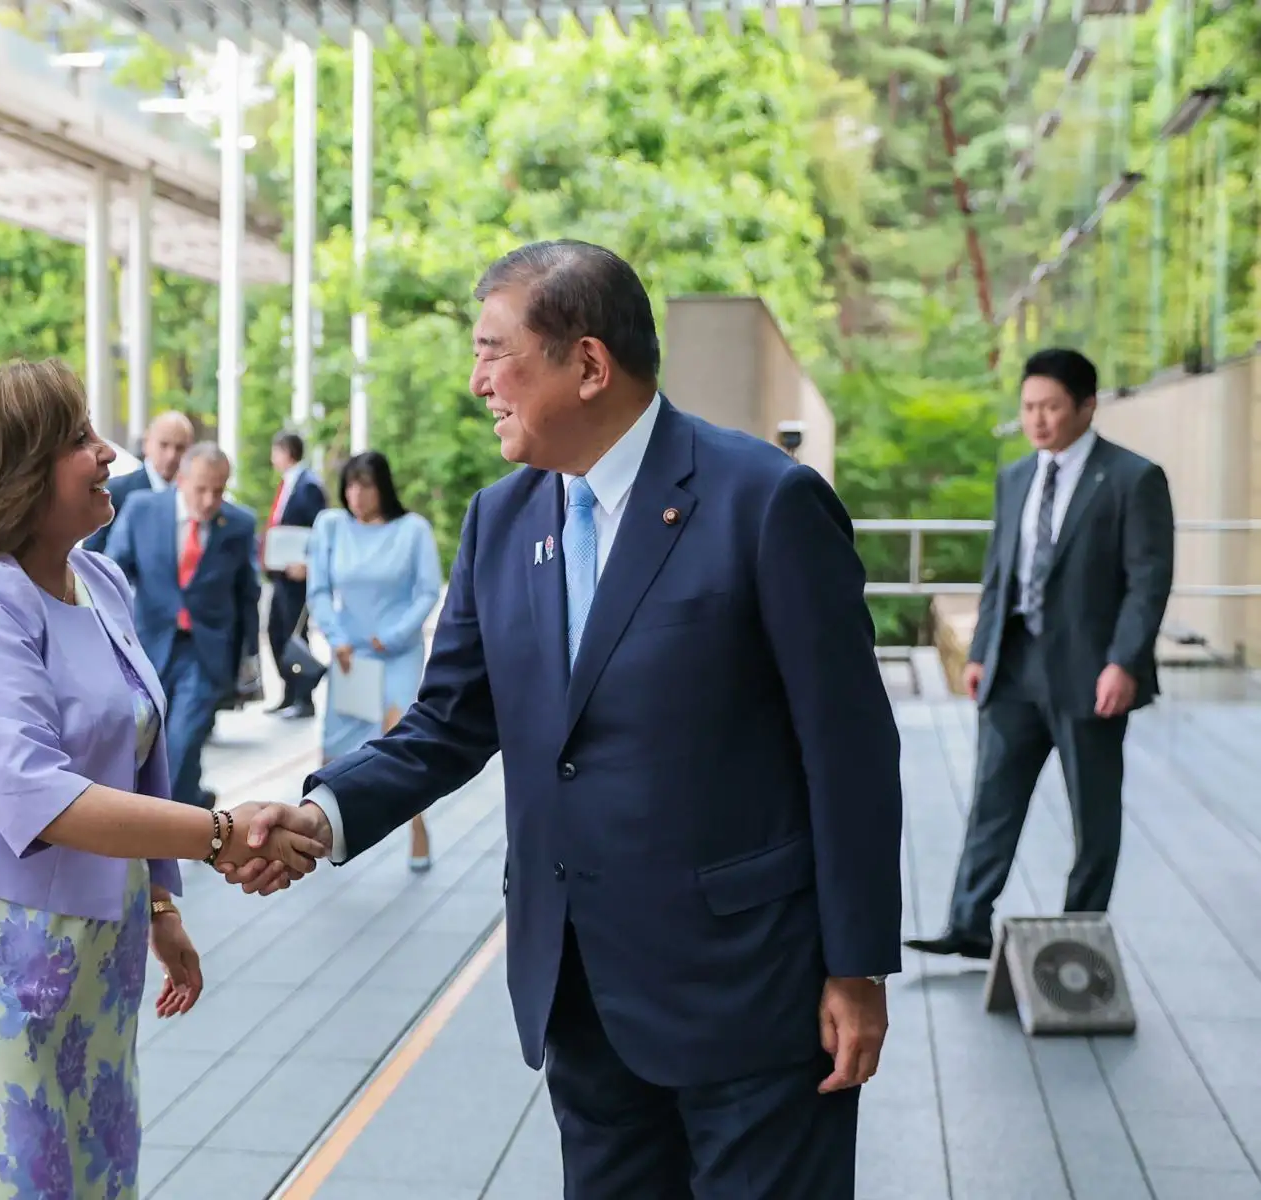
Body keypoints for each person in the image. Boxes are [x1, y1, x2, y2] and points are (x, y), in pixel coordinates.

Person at [237, 241, 903, 1198]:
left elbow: (850, 752)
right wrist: (324, 814)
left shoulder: (765, 503)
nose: (476, 382)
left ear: (588, 365)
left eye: (494, 352)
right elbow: (449, 722)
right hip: (580, 991)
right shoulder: (501, 522)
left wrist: (858, 967)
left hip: (752, 992)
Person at [0, 359, 322, 1200]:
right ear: (19, 470)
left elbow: (136, 754)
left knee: (90, 1172)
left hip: (90, 941)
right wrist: (220, 837)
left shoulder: (97, 579)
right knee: (0, 1178)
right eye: (78, 438)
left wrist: (163, 903)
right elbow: (39, 792)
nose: (108, 452)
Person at [905, 348, 1174, 961]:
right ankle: (968, 923)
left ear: (1086, 405)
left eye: (1051, 406)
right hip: (1014, 667)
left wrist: (1124, 661)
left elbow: (1147, 581)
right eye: (1029, 407)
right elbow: (1001, 572)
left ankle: (1079, 933)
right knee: (992, 801)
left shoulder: (1133, 478)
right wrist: (980, 651)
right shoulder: (1016, 477)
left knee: (1093, 813)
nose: (1038, 420)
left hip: (1091, 671)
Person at [306, 450, 443, 871]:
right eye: (349, 485)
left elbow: (426, 591)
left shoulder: (412, 530)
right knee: (336, 746)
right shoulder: (331, 526)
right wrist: (338, 637)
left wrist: (394, 635)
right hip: (351, 654)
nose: (355, 494)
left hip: (396, 652)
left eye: (365, 485)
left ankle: (417, 828)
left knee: (398, 738)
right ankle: (315, 832)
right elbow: (319, 589)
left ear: (382, 487)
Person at [108, 443, 261, 810]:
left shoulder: (238, 525)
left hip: (206, 651)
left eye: (219, 490)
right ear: (182, 480)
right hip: (150, 644)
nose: (210, 500)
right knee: (149, 736)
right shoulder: (143, 510)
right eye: (202, 489)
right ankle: (191, 799)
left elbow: (247, 595)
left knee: (182, 739)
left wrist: (248, 656)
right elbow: (113, 573)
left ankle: (157, 833)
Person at [262, 430, 326, 718]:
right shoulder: (288, 484)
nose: (272, 458)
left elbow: (318, 531)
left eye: (275, 451)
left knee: (294, 633)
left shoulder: (308, 486)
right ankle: (289, 692)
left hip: (298, 576)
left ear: (287, 452)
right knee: (276, 631)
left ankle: (304, 697)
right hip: (281, 574)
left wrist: (310, 565)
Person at [82, 409, 195, 554]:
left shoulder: (193, 497)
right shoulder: (115, 492)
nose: (171, 456)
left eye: (180, 448)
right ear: (146, 443)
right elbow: (91, 553)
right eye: (164, 445)